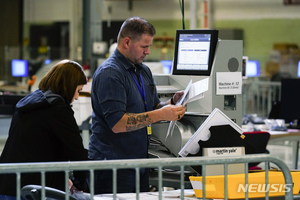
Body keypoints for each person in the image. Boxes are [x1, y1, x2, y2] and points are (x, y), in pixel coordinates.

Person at [88, 16, 186, 194]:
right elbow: (118, 123)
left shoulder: (143, 71)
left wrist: (170, 104)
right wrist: (162, 114)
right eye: (144, 46)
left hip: (139, 163)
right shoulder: (110, 73)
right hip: (112, 167)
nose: (148, 52)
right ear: (127, 42)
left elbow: (151, 109)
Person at [0, 60, 89, 199]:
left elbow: (36, 146)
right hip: (35, 190)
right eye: (77, 91)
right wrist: (80, 183)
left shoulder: (30, 102)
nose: (77, 97)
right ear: (69, 86)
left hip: (8, 184)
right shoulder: (58, 108)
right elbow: (77, 152)